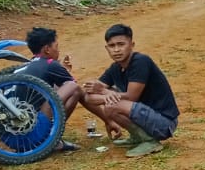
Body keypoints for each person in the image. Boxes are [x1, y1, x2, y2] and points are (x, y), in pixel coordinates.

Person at [80, 24, 179, 158]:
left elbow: (132, 97)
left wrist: (106, 93)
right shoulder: (115, 68)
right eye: (112, 46)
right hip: (147, 118)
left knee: (112, 106)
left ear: (131, 45)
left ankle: (150, 141)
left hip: (164, 123)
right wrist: (106, 94)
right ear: (106, 48)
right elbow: (88, 98)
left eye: (121, 44)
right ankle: (138, 137)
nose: (116, 50)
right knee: (111, 104)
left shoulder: (140, 61)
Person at [22, 27, 82, 152]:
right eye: (56, 46)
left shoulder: (27, 65)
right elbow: (73, 88)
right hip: (34, 135)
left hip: (16, 135)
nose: (58, 50)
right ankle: (52, 138)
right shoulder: (50, 63)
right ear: (47, 49)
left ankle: (48, 137)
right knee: (74, 88)